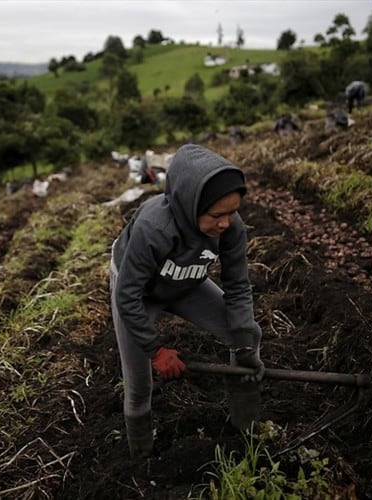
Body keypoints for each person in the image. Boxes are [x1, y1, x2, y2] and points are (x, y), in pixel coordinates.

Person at [109, 143, 265, 459]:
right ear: (189, 205)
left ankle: (246, 427)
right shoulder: (154, 227)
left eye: (233, 212)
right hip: (140, 292)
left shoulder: (232, 228)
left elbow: (237, 286)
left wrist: (245, 348)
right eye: (216, 215)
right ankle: (141, 458)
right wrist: (155, 350)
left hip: (187, 282)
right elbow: (126, 296)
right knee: (139, 385)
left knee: (249, 335)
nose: (225, 223)